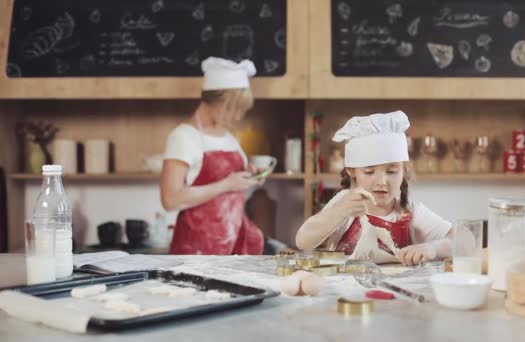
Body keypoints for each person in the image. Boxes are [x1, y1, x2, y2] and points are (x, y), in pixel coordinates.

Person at [295, 111, 453, 265]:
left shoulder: (410, 211)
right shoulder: (345, 204)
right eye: (369, 172)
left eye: (392, 171)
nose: (382, 182)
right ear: (352, 171)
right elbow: (303, 241)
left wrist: (432, 248)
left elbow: (463, 241)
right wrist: (338, 212)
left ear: (404, 171)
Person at [161, 57, 264, 255]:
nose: (238, 117)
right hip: (197, 250)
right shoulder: (183, 137)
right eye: (235, 109)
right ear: (220, 103)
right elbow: (170, 199)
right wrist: (226, 184)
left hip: (233, 242)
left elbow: (233, 192)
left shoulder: (229, 137)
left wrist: (249, 176)